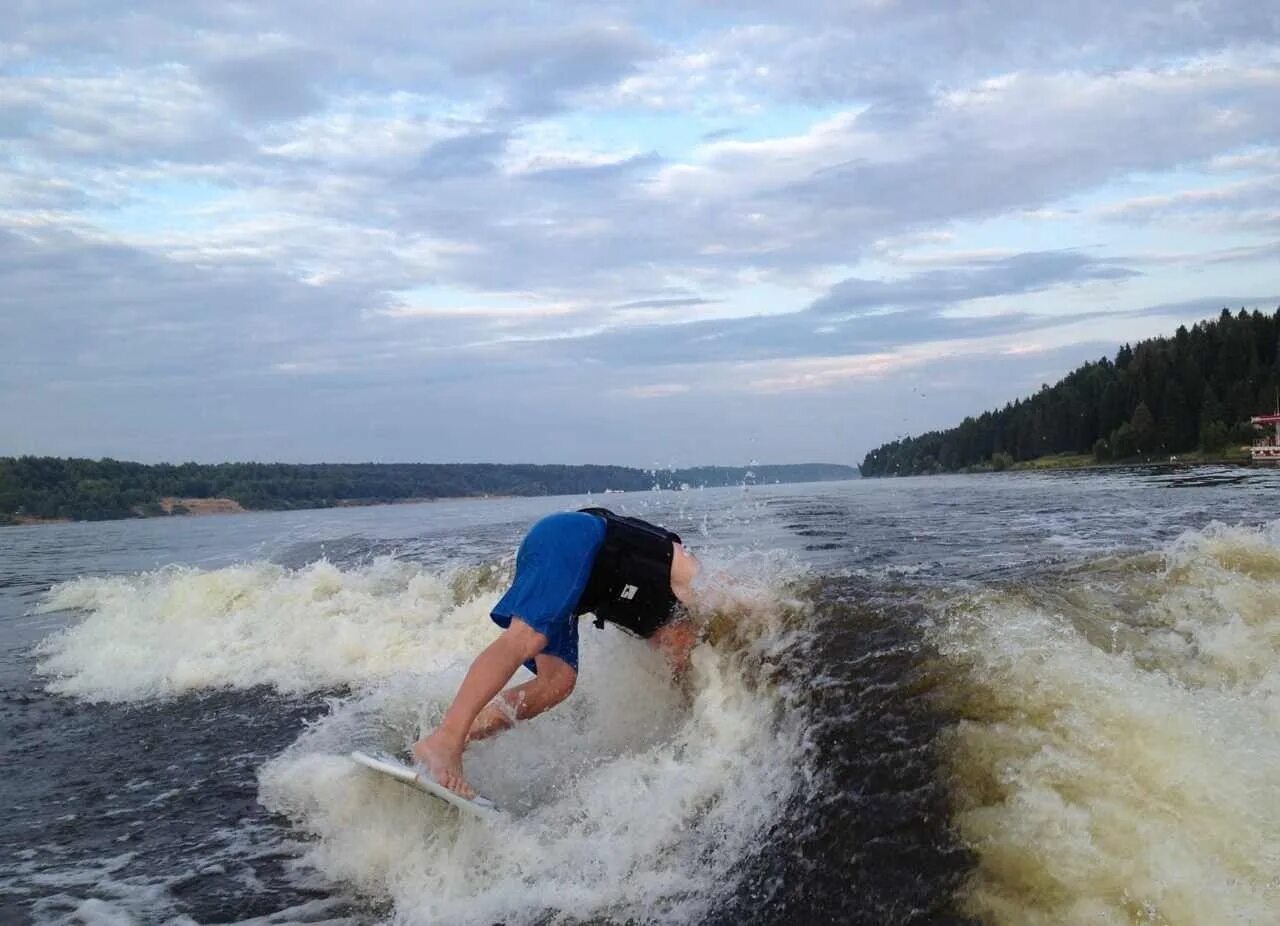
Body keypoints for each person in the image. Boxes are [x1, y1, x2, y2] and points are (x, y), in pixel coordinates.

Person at [413, 507, 700, 798]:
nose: (684, 656)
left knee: (557, 682)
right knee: (527, 637)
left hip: (574, 572)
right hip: (570, 538)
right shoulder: (689, 579)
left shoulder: (660, 624)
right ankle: (446, 740)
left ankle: (451, 742)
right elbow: (725, 593)